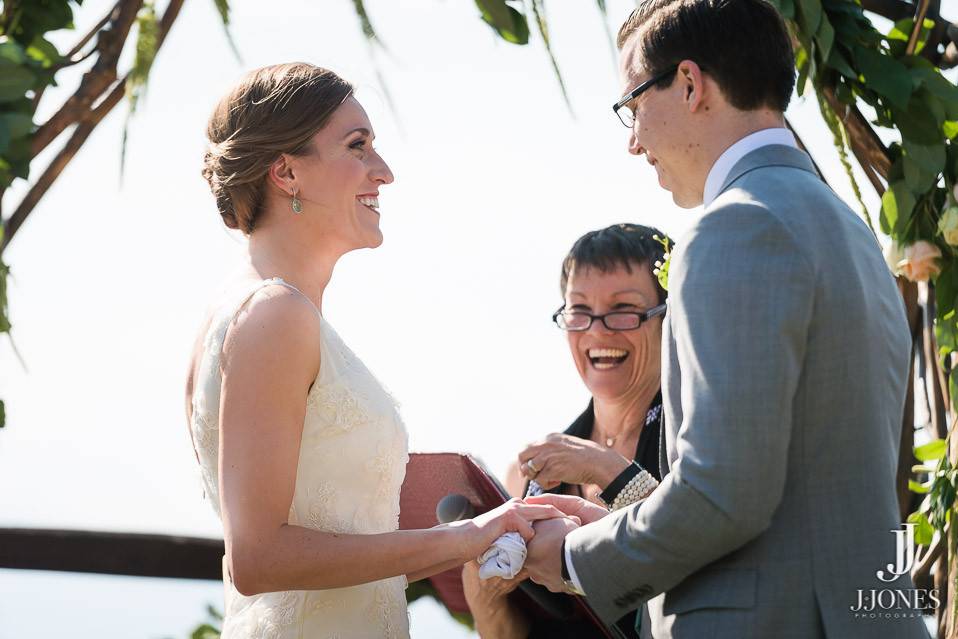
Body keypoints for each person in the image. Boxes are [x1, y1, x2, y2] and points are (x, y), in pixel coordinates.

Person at [522, 2, 929, 638]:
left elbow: (724, 498)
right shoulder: (850, 230)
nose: (633, 140)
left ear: (689, 84)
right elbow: (792, 486)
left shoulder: (734, 227)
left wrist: (575, 556)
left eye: (631, 106)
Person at [183, 62, 567, 638]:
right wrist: (470, 536)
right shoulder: (274, 316)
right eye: (357, 146)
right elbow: (258, 558)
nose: (383, 173)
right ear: (286, 171)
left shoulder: (248, 311)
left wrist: (485, 524)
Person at [462, 223, 672, 638]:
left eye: (623, 309)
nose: (597, 330)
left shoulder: (698, 440)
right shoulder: (524, 477)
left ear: (670, 317)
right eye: (579, 311)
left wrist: (604, 468)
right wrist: (484, 592)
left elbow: (698, 552)